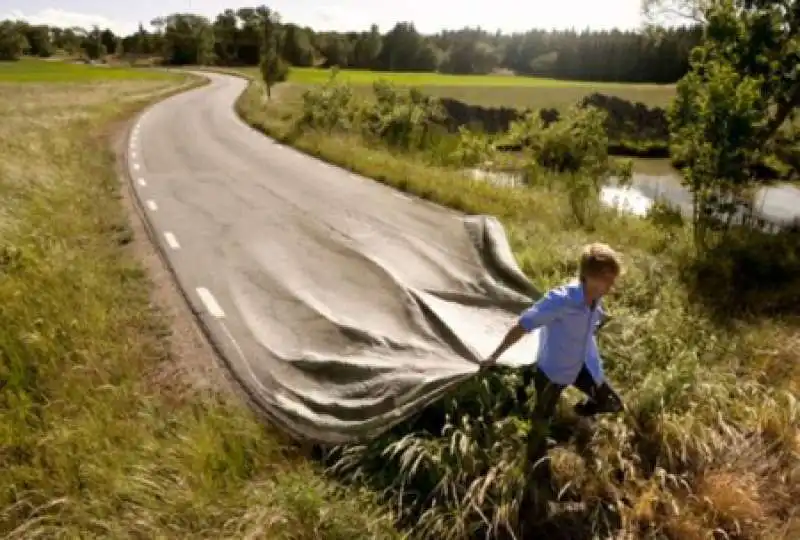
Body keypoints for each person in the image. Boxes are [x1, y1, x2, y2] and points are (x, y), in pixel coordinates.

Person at [482, 242, 625, 466]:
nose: (611, 285)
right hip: (552, 374)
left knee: (612, 403)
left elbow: (593, 320)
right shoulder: (561, 300)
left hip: (581, 368)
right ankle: (533, 467)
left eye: (613, 279)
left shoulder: (596, 299)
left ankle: (577, 414)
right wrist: (495, 355)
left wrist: (602, 320)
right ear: (589, 275)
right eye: (608, 279)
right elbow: (523, 324)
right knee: (540, 425)